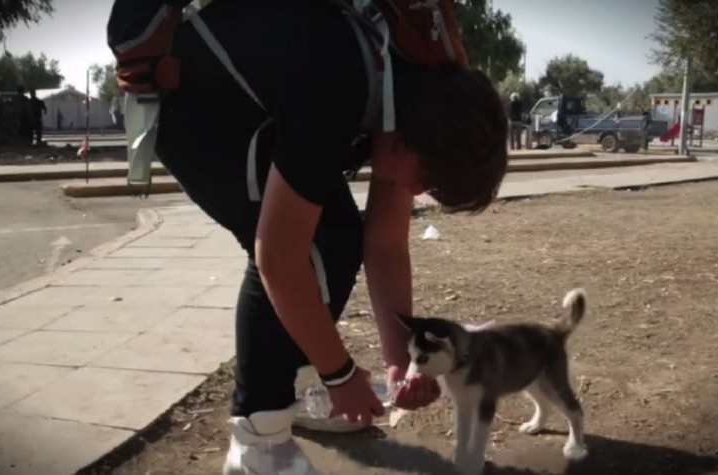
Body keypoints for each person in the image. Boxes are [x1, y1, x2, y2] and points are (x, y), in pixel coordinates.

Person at [146, 1, 508, 473]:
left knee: (337, 240)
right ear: (409, 136)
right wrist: (340, 374)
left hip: (265, 107)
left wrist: (403, 362)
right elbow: (277, 257)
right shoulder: (341, 83)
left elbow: (385, 243)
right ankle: (258, 444)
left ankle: (294, 397)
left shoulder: (414, 96)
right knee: (309, 246)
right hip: (198, 107)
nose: (418, 192)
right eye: (427, 180)